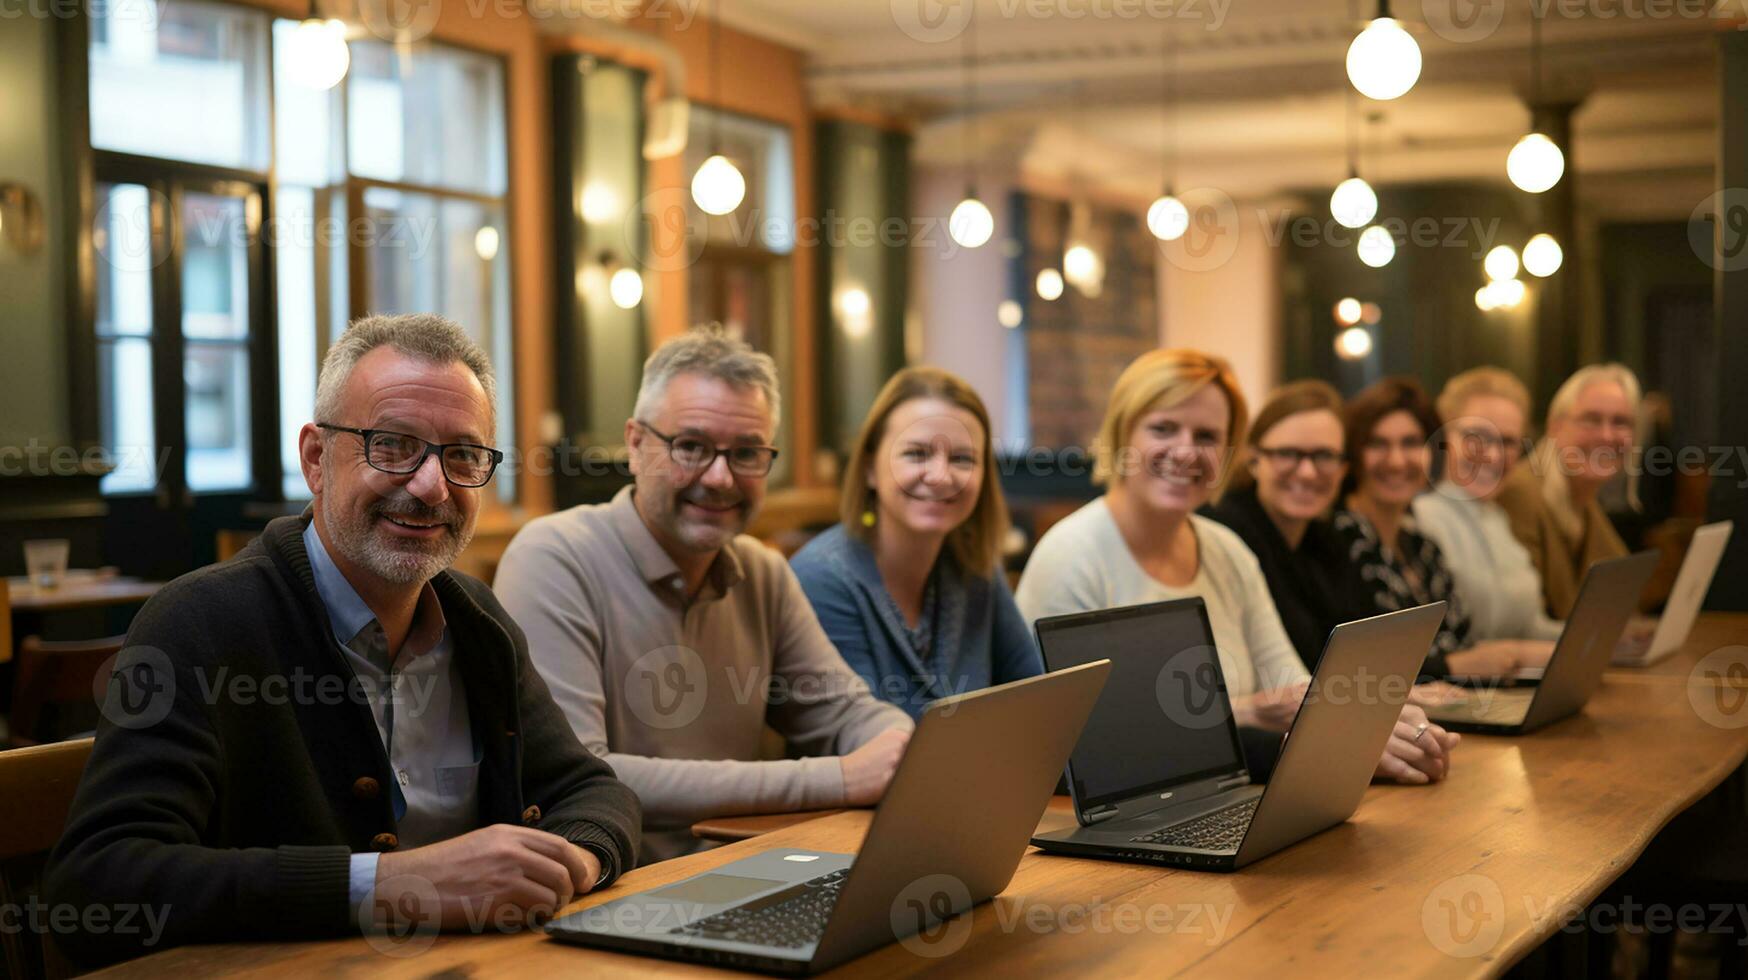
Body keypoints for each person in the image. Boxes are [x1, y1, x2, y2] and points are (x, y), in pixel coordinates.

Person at [47, 315, 641, 966]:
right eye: (392, 445)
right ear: (315, 458)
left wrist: (569, 863)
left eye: (463, 455)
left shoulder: (475, 619)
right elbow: (101, 882)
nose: (431, 487)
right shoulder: (198, 624)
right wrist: (392, 883)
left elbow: (594, 791)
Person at [493, 328, 913, 864]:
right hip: (603, 894)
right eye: (691, 446)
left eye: (746, 453)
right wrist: (839, 779)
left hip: (744, 873)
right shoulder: (554, 556)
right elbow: (583, 776)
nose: (719, 478)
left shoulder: (762, 574)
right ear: (635, 443)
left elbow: (850, 713)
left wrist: (898, 746)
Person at [1015, 349, 1455, 784]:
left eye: (1206, 436)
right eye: (1163, 428)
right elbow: (1095, 747)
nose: (1186, 451)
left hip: (1230, 794)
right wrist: (1255, 716)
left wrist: (1376, 724)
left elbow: (1296, 691)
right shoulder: (1073, 556)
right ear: (1121, 437)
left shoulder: (1228, 551)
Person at [791, 367, 1042, 720]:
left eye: (962, 458)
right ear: (869, 468)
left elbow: (1038, 699)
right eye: (916, 454)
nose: (940, 476)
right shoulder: (822, 578)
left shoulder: (976, 565)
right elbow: (858, 741)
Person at [1335, 377, 1553, 678]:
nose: (1397, 461)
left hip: (1459, 706)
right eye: (1377, 443)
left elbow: (1460, 642)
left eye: (1411, 443)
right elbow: (1357, 669)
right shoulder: (1338, 541)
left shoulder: (1420, 544)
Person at [1204, 380, 1370, 671]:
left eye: (1324, 456)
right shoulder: (1226, 536)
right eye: (1288, 454)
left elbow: (1361, 649)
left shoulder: (1327, 540)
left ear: (1343, 468)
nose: (1307, 472)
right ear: (1254, 460)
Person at [1412, 367, 1565, 643]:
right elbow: (1440, 647)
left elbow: (1529, 628)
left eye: (1507, 441)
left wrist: (1603, 638)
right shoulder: (1420, 519)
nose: (1493, 455)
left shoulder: (1496, 519)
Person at [1495, 363, 1638, 619]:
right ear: (1555, 426)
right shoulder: (1521, 492)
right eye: (1591, 419)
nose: (1607, 435)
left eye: (1621, 422)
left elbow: (1622, 592)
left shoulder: (1583, 499)